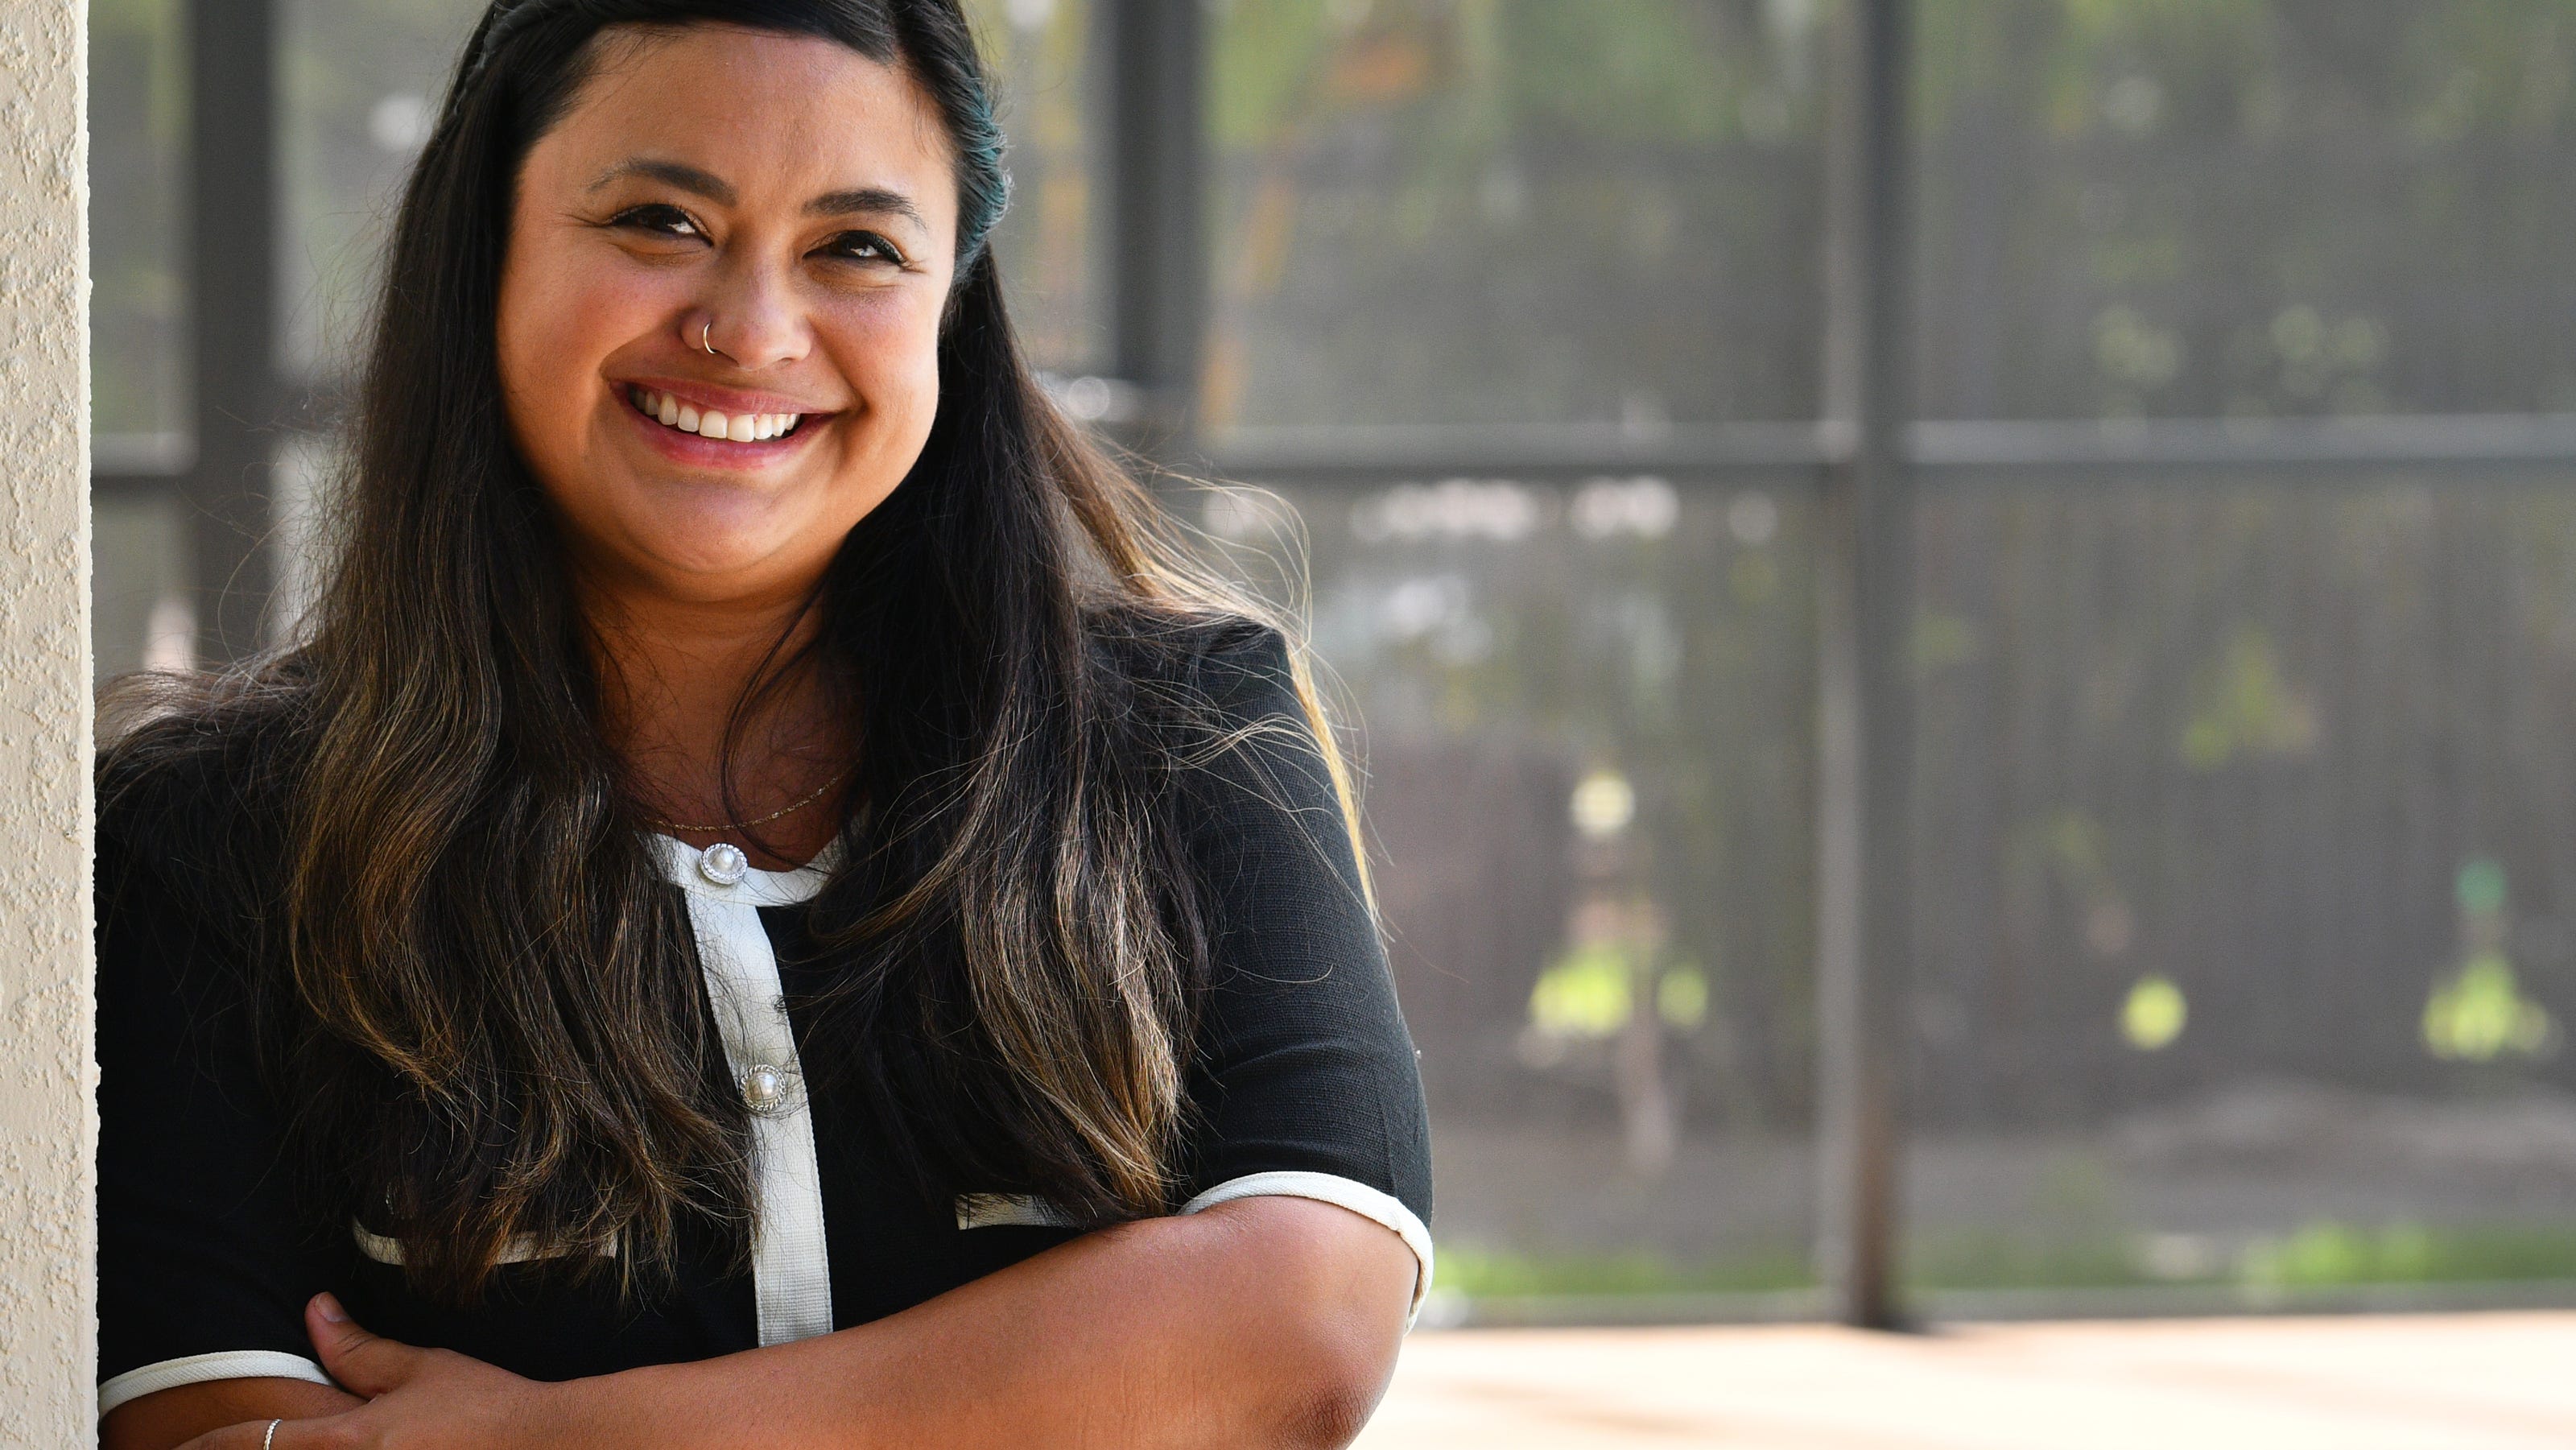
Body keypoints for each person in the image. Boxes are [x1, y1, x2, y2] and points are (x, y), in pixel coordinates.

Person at [93, 3, 1431, 1446]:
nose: (750, 332)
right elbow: (209, 1424)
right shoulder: (205, 841)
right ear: (488, 245)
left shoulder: (1190, 737)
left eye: (857, 246)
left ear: (951, 301)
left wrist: (545, 1436)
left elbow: (1301, 1327)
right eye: (661, 221)